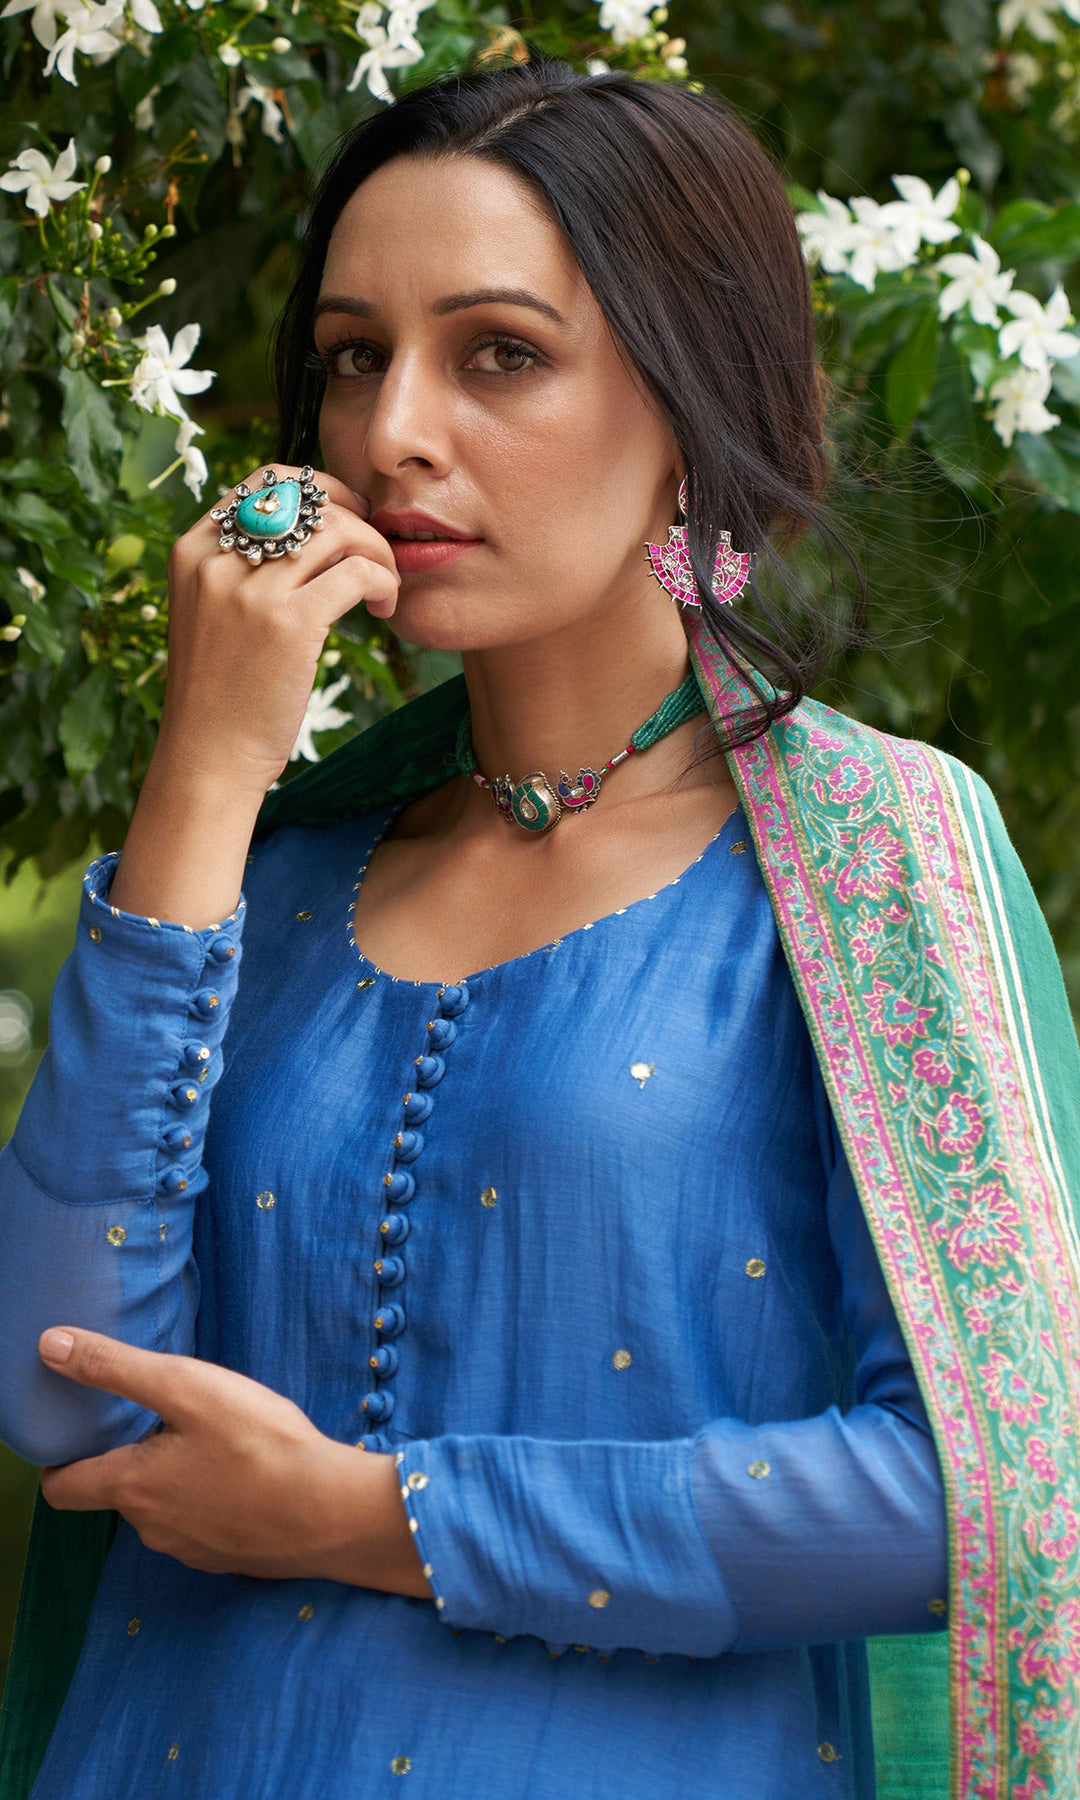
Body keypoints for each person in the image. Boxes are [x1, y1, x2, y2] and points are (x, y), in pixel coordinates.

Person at [2, 57, 1079, 1800]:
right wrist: (204, 769)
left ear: (691, 404)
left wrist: (370, 1517)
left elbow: (994, 1495)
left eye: (498, 353)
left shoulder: (874, 867)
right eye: (355, 357)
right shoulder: (269, 872)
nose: (392, 435)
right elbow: (66, 1400)